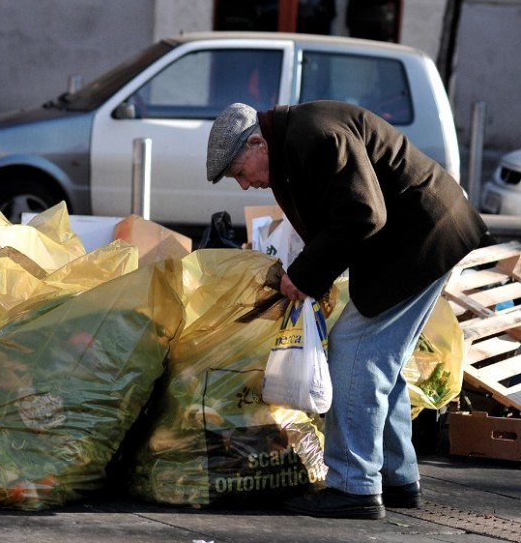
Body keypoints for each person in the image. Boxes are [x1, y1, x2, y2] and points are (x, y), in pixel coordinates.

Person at [206, 101, 490, 520]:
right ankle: (396, 476)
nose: (244, 185)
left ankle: (353, 485)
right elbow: (339, 213)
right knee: (382, 361)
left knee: (356, 351)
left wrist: (305, 276)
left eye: (239, 172)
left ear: (255, 142)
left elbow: (362, 214)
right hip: (421, 237)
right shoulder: (298, 137)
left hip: (423, 240)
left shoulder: (315, 136)